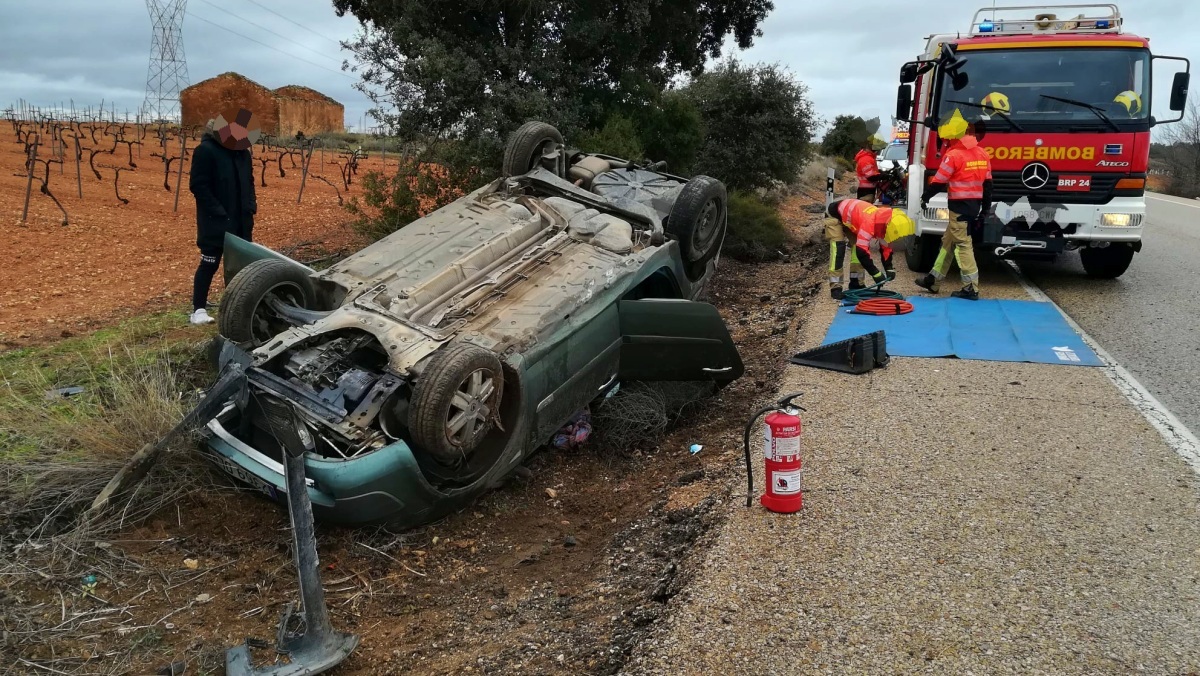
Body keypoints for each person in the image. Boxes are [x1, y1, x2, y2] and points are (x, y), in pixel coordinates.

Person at [188, 108, 258, 325]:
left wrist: (251, 206)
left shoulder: (243, 154)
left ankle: (238, 307)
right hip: (215, 221)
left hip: (241, 220)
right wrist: (218, 212)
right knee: (210, 262)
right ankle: (198, 310)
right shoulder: (205, 151)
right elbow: (198, 186)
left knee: (240, 266)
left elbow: (250, 182)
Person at [914, 109, 992, 301]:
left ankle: (971, 288)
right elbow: (988, 184)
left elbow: (939, 181)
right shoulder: (982, 153)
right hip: (973, 207)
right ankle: (933, 280)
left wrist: (925, 197)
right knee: (948, 242)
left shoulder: (953, 155)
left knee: (963, 245)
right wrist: (986, 208)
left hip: (959, 208)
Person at [825, 198, 914, 299]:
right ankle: (835, 287)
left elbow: (886, 249)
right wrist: (875, 273)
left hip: (850, 219)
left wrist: (889, 268)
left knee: (856, 248)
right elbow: (862, 252)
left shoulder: (885, 223)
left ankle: (856, 283)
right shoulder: (869, 223)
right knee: (838, 249)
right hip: (834, 215)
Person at [854, 137, 883, 202]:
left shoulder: (869, 158)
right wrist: (883, 176)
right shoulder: (866, 159)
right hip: (866, 191)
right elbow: (871, 177)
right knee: (866, 206)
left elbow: (872, 172)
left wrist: (880, 173)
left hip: (867, 189)